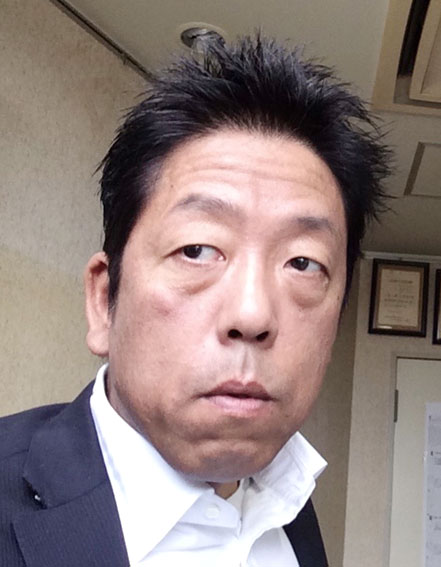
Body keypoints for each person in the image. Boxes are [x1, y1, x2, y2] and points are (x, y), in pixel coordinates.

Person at [0, 35, 390, 566]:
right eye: (197, 250)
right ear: (104, 300)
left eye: (302, 263)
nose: (252, 314)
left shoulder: (289, 502)